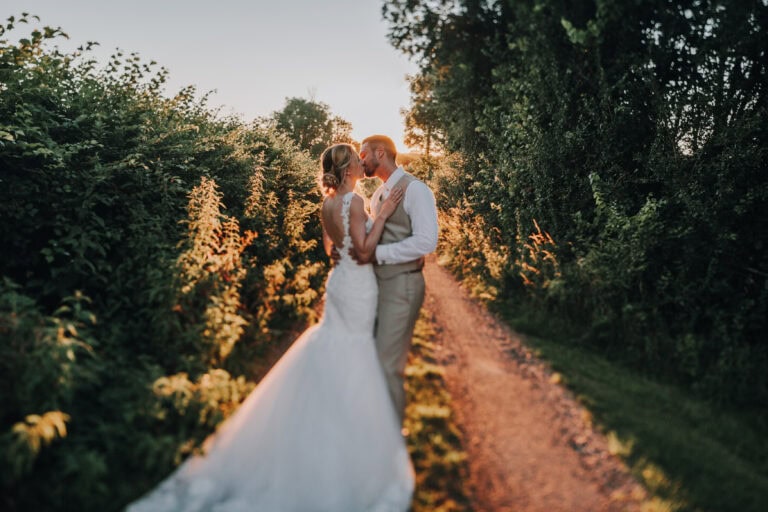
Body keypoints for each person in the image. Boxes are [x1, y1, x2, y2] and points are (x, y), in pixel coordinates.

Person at [125, 143, 415, 512]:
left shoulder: (326, 205)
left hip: (338, 282)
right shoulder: (355, 203)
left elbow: (331, 251)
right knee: (355, 352)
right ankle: (346, 445)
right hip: (356, 285)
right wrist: (386, 213)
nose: (362, 163)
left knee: (335, 348)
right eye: (356, 161)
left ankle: (323, 430)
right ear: (346, 170)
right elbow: (362, 251)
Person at [357, 135, 439, 424]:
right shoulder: (379, 194)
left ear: (381, 152)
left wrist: (379, 254)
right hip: (379, 286)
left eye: (363, 154)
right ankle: (377, 429)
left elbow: (427, 242)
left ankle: (391, 442)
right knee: (373, 359)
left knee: (388, 364)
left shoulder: (416, 189)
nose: (360, 160)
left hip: (403, 284)